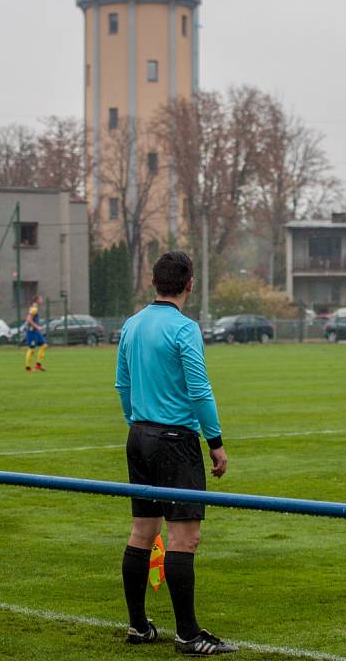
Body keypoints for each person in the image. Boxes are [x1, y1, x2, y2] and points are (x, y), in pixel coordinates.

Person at [115, 251, 235, 656]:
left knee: (142, 532)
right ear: (190, 283)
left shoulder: (132, 324)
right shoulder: (185, 329)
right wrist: (214, 442)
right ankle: (188, 634)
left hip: (140, 437)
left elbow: (122, 383)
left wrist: (138, 420)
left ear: (153, 282)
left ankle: (138, 627)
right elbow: (199, 390)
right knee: (185, 537)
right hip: (175, 442)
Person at [24, 295, 47, 372]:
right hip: (32, 332)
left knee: (44, 345)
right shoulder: (34, 308)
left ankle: (38, 365)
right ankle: (28, 368)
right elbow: (28, 319)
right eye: (41, 299)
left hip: (35, 332)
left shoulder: (35, 307)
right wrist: (37, 327)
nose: (42, 300)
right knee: (31, 349)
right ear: (37, 300)